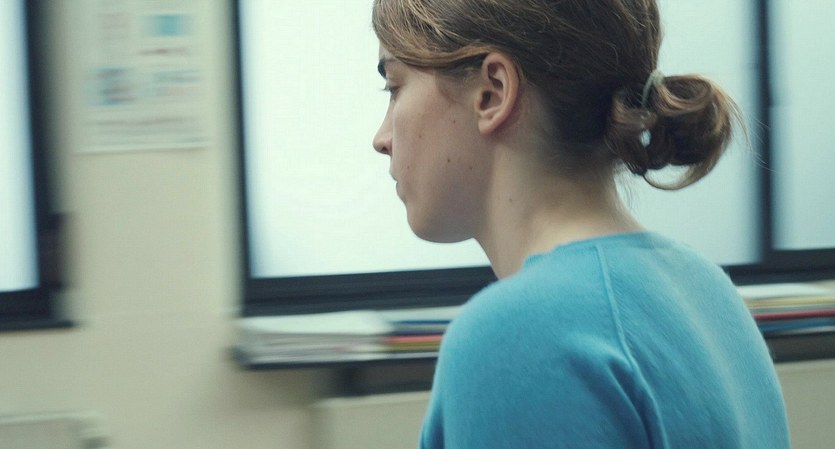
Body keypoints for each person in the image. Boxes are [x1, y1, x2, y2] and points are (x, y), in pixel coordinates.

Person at [370, 0, 790, 448]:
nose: (381, 138)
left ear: (492, 92)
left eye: (395, 87)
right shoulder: (708, 292)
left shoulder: (517, 338)